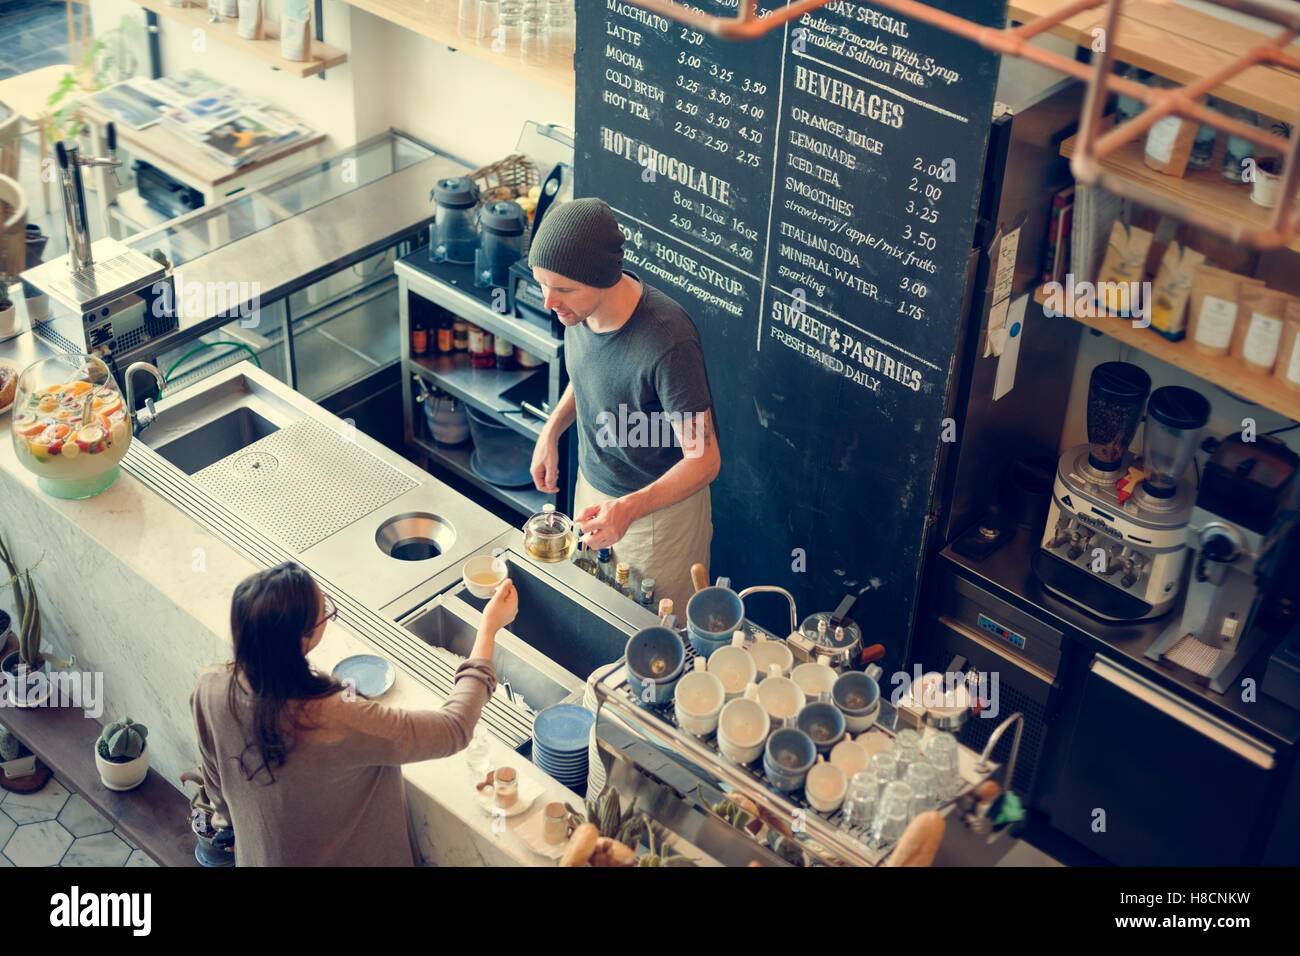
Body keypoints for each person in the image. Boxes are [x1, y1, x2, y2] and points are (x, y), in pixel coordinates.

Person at [190, 562, 515, 866]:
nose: (328, 616)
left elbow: (218, 790)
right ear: (301, 641)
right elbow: (452, 728)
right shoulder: (335, 718)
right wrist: (487, 629)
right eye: (324, 613)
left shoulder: (211, 687)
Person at [528, 198, 721, 613]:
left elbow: (704, 461)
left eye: (562, 288)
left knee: (654, 638)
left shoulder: (668, 340)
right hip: (593, 495)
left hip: (656, 521)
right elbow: (591, 376)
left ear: (602, 278)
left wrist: (628, 509)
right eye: (542, 283)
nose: (549, 301)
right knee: (593, 616)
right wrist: (551, 430)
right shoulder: (577, 314)